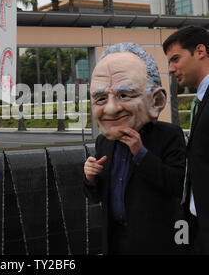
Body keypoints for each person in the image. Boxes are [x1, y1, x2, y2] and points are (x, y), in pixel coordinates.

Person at [84, 42, 186, 255]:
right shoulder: (104, 142)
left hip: (156, 244)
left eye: (124, 95)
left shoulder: (169, 135)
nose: (111, 108)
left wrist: (141, 154)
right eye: (101, 98)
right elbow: (97, 197)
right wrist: (90, 177)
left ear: (156, 101)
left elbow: (178, 187)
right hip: (116, 241)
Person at [163, 26, 209, 254]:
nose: (171, 69)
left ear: (200, 51)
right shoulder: (200, 100)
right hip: (195, 225)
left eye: (175, 59)